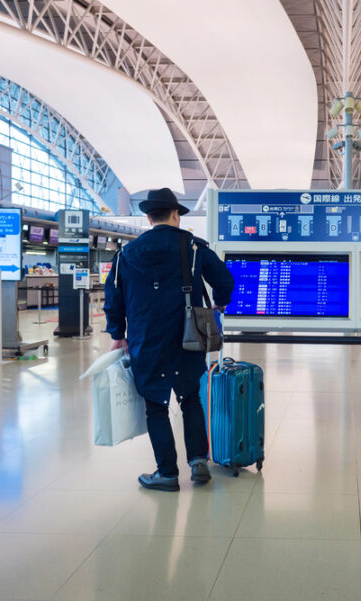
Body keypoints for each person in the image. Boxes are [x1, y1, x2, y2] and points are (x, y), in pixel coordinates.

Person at [104, 188, 234, 492]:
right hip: (187, 336)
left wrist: (117, 335)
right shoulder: (194, 248)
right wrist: (220, 304)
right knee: (190, 398)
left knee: (156, 406)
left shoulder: (126, 254)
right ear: (175, 215)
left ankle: (166, 473)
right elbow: (225, 281)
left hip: (145, 340)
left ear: (149, 217)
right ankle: (198, 462)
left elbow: (114, 298)